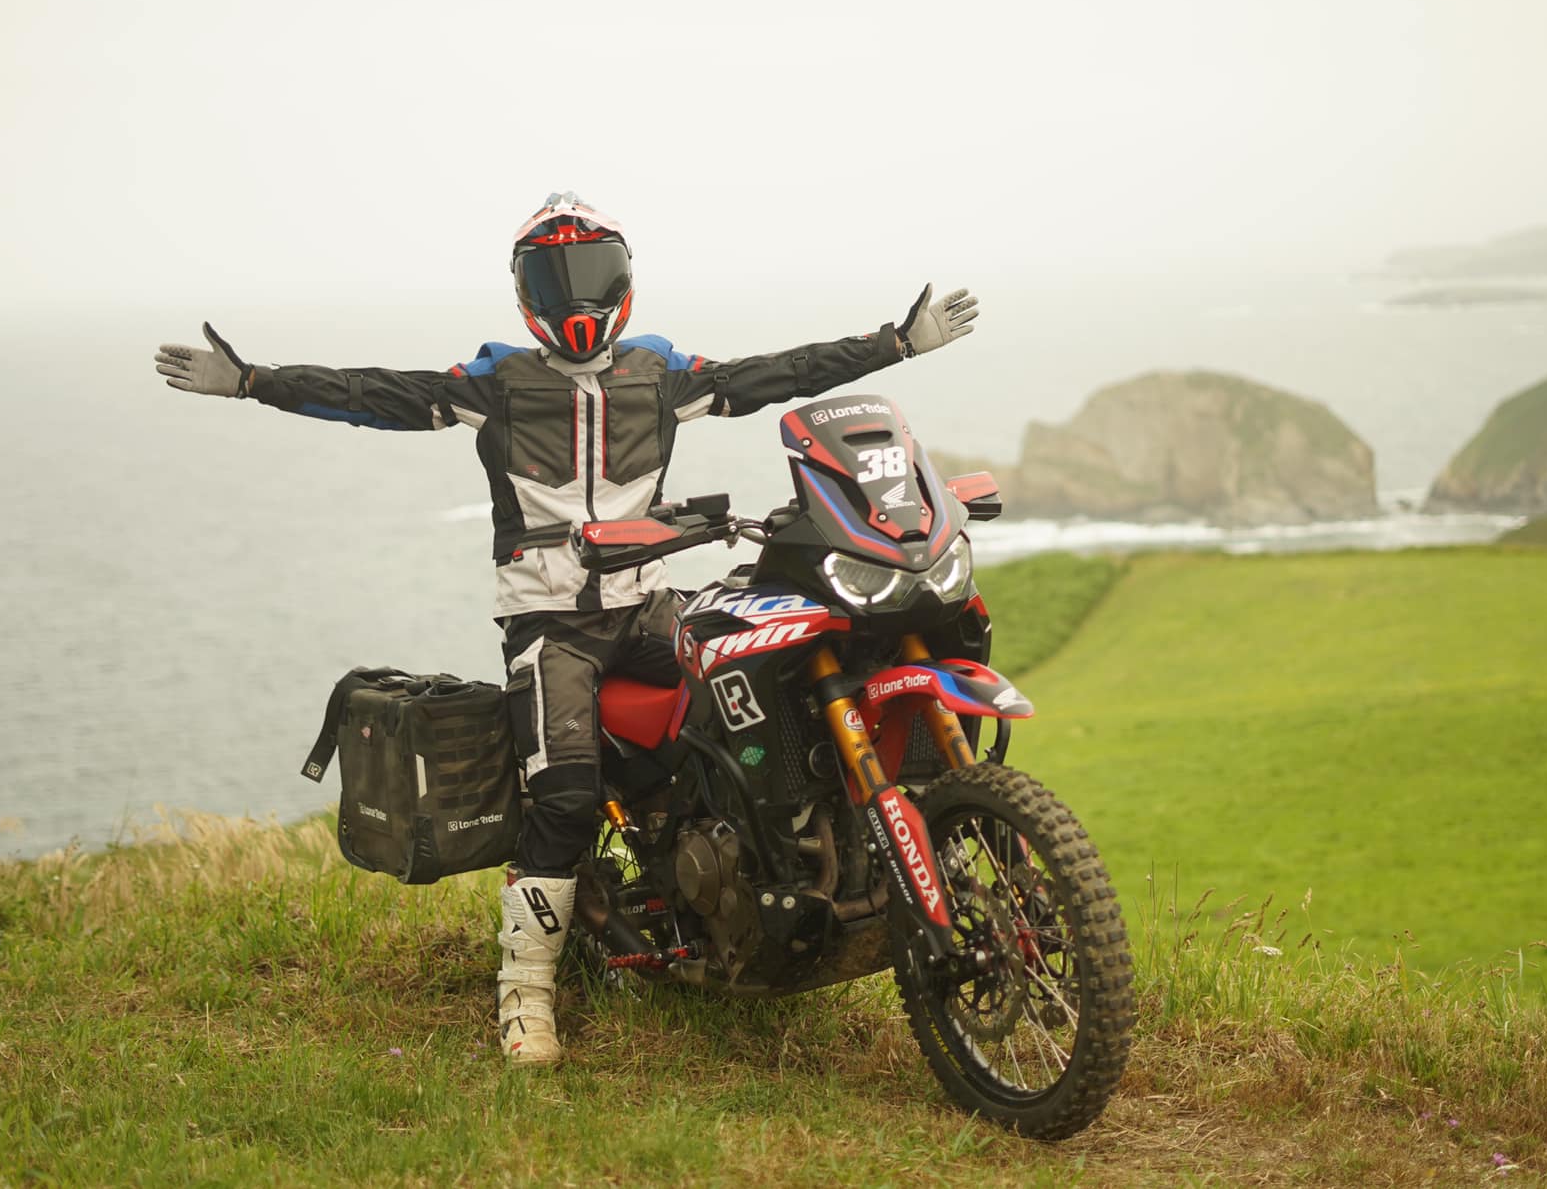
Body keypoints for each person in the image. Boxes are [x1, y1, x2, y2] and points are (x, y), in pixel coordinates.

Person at [153, 191, 979, 1065]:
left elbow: (779, 373)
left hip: (650, 607)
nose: (576, 298)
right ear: (525, 295)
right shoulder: (495, 384)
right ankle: (526, 994)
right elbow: (374, 394)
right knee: (566, 796)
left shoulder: (661, 373)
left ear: (624, 281)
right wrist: (252, 382)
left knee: (756, 719)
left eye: (592, 273)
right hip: (552, 627)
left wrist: (895, 343)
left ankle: (755, 882)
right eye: (554, 279)